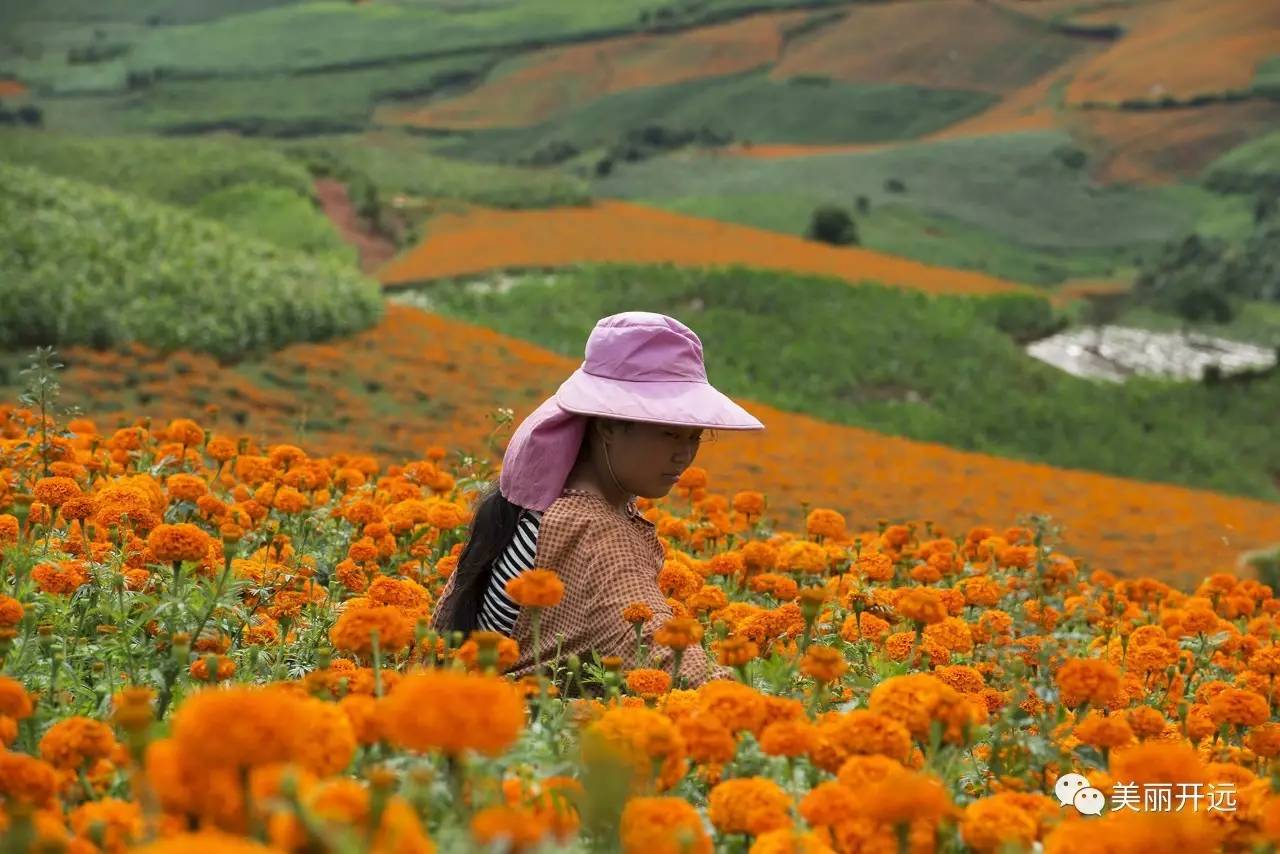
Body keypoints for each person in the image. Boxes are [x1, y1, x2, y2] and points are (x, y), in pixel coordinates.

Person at [429, 311, 765, 688]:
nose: (684, 455)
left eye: (695, 436)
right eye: (671, 434)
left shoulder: (545, 502)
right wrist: (744, 703)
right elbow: (666, 655)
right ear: (606, 426)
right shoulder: (596, 533)